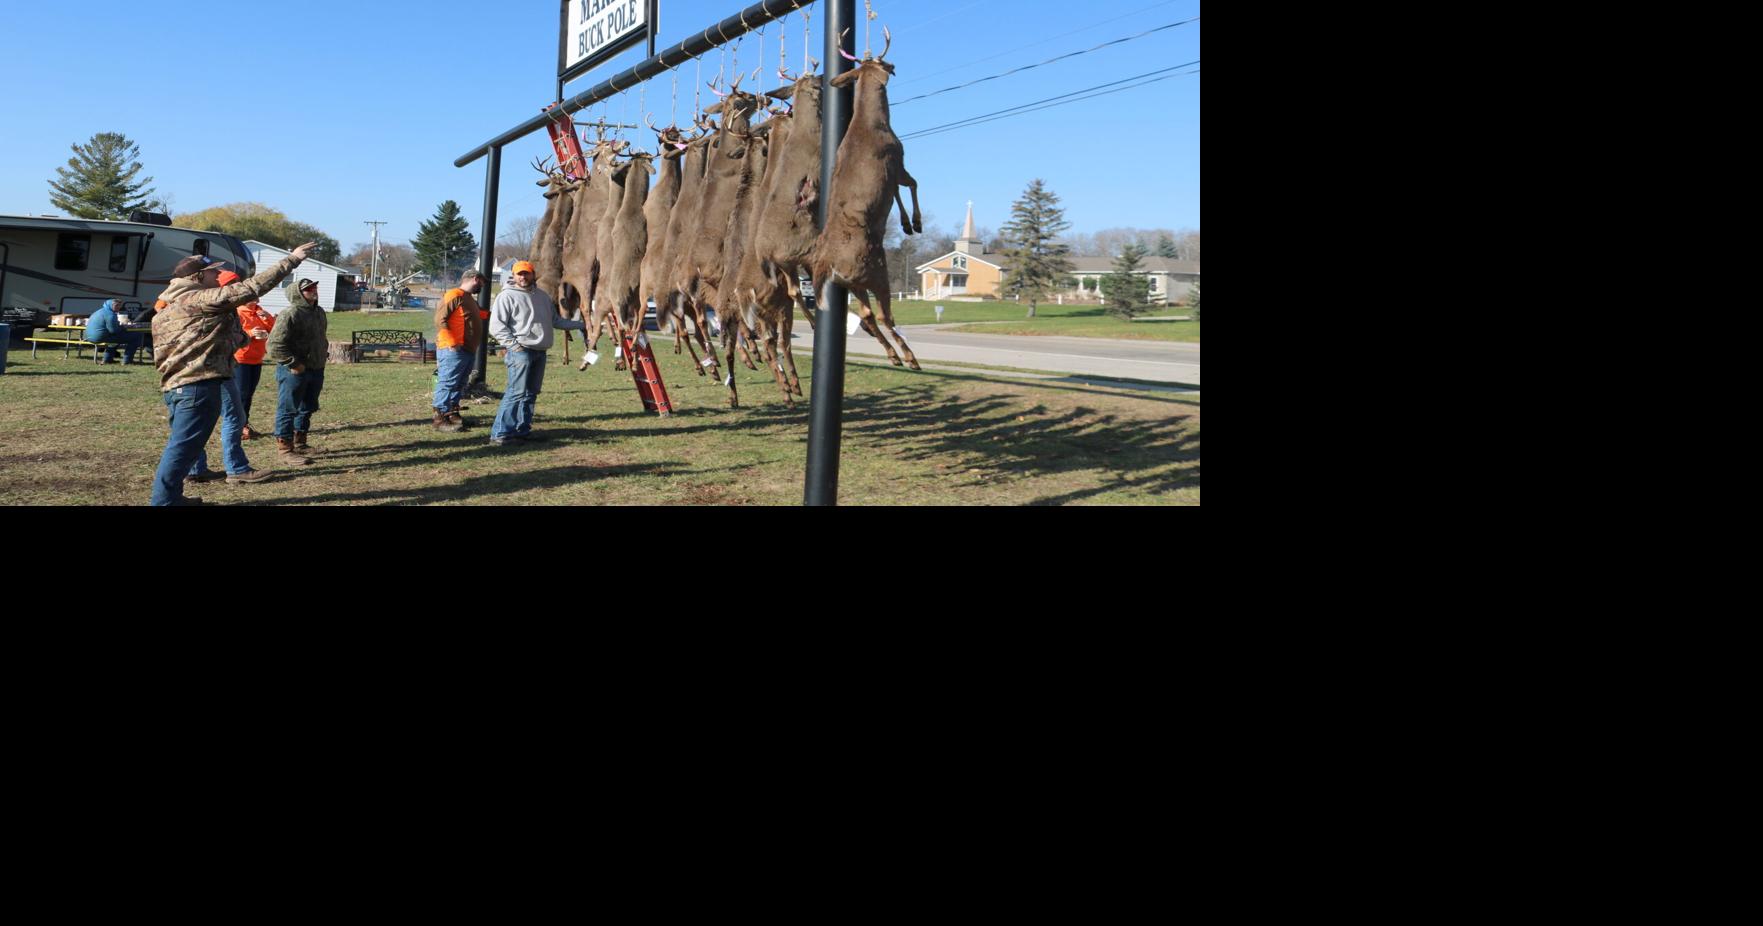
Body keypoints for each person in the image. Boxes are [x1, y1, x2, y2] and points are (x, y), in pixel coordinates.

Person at [150, 245, 315, 506]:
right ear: (196, 277)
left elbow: (202, 340)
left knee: (184, 446)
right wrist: (292, 260)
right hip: (198, 386)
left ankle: (172, 497)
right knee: (182, 448)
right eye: (212, 272)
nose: (218, 276)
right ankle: (164, 502)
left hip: (177, 386)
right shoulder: (199, 299)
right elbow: (252, 288)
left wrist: (239, 338)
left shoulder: (168, 310)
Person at [488, 260, 586, 446]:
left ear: (533, 275)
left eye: (526, 273)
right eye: (519, 274)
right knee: (515, 393)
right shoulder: (506, 296)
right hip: (521, 352)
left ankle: (522, 431)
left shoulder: (542, 297)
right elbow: (496, 327)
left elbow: (556, 321)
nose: (523, 277)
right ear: (513, 276)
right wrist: (514, 346)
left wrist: (583, 325)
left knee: (530, 394)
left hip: (540, 352)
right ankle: (500, 433)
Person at [265, 277, 329, 466]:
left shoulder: (319, 312)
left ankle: (300, 442)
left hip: (316, 368)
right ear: (298, 293)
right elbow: (274, 345)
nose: (313, 290)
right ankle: (285, 449)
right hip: (293, 371)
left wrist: (322, 354)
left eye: (314, 287)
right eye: (308, 289)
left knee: (307, 407)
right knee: (288, 409)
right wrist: (294, 364)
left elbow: (321, 337)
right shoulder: (290, 313)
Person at [432, 269, 486, 432]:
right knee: (448, 382)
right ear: (475, 279)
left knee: (459, 383)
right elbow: (440, 319)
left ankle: (452, 414)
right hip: (454, 349)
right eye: (482, 282)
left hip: (467, 349)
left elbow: (479, 315)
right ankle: (440, 418)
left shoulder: (468, 298)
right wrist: (451, 342)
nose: (483, 286)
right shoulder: (454, 295)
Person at [225, 271, 276, 440]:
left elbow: (275, 330)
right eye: (253, 295)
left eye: (257, 295)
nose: (256, 298)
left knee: (249, 393)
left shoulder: (260, 312)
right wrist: (250, 333)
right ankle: (238, 427)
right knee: (241, 394)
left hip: (257, 359)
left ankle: (244, 423)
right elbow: (231, 334)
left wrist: (267, 319)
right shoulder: (238, 313)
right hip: (241, 359)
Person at [84, 299, 144, 364]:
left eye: (119, 305)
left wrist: (121, 327)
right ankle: (127, 360)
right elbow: (114, 331)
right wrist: (124, 327)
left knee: (114, 339)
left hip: (89, 337)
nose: (118, 307)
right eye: (116, 305)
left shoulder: (99, 311)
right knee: (136, 336)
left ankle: (107, 359)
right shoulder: (110, 314)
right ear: (110, 305)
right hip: (99, 337)